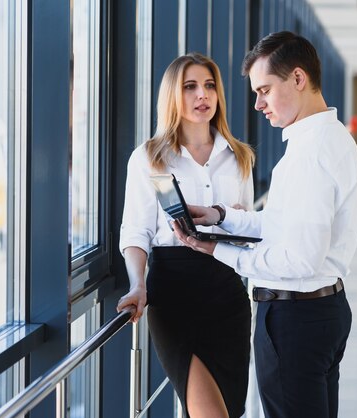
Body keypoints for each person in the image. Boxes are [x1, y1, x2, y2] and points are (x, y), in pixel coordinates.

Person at [173, 31, 357, 418]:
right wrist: (222, 217)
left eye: (264, 90)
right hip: (322, 311)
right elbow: (285, 224)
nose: (258, 104)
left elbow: (300, 261)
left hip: (296, 319)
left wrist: (217, 250)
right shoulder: (330, 138)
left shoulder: (310, 154)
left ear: (298, 78)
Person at [116, 52, 256, 418]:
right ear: (173, 96)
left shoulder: (239, 157)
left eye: (209, 86)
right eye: (190, 86)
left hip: (227, 293)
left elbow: (252, 230)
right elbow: (136, 230)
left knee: (230, 410)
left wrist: (234, 220)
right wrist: (137, 284)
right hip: (174, 296)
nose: (202, 95)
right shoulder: (148, 158)